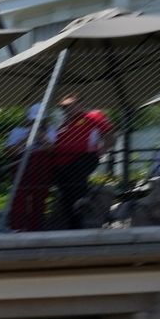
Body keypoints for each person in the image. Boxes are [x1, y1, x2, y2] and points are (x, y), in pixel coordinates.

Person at [49, 93, 112, 230]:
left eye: (69, 106)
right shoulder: (63, 126)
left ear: (79, 104)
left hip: (83, 157)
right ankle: (74, 224)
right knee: (66, 194)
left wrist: (104, 149)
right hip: (62, 164)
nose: (66, 109)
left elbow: (109, 134)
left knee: (75, 178)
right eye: (63, 107)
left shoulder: (92, 116)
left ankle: (82, 202)